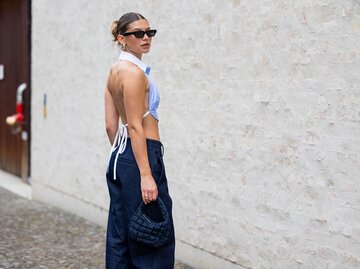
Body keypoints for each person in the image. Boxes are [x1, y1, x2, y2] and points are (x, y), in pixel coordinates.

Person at [104, 12, 175, 269]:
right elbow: (134, 126)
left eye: (149, 32)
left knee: (121, 234)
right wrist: (145, 173)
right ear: (122, 38)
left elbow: (111, 125)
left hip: (122, 155)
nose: (146, 38)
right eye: (138, 34)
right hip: (142, 154)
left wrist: (124, 161)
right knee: (152, 235)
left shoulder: (115, 71)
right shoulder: (133, 74)